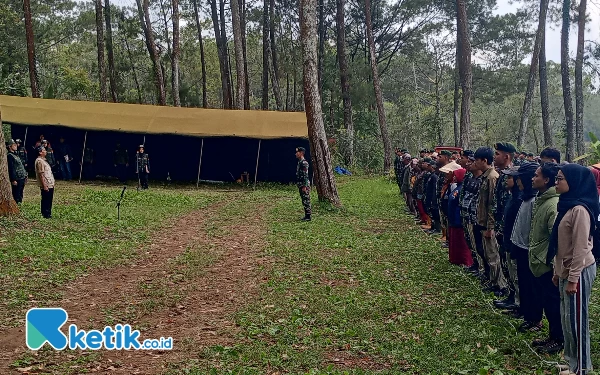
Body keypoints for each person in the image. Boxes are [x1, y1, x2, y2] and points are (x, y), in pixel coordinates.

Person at [549, 164, 598, 375]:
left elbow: (580, 247)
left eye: (560, 179)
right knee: (567, 318)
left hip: (578, 270)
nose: (556, 182)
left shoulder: (580, 210)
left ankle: (582, 368)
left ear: (574, 182)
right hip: (566, 270)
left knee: (578, 321)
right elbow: (562, 245)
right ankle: (571, 361)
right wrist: (557, 271)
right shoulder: (566, 205)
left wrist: (573, 279)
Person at [529, 162, 563, 354]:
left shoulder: (553, 204)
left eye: (536, 175)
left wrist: (550, 263)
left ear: (546, 180)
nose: (533, 179)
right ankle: (551, 335)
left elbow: (556, 240)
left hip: (547, 264)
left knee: (552, 302)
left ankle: (558, 338)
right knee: (546, 301)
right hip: (539, 260)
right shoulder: (541, 199)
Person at [506, 163, 542, 333]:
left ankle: (534, 319)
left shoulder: (535, 200)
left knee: (531, 286)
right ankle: (527, 314)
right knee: (523, 283)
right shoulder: (524, 198)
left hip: (529, 249)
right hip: (519, 246)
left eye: (520, 178)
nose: (517, 181)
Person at [474, 147, 508, 297]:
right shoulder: (485, 177)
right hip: (482, 221)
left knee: (494, 256)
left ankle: (500, 286)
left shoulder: (492, 177)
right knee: (488, 255)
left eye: (477, 160)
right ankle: (493, 281)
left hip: (488, 224)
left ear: (484, 161)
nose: (475, 163)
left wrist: (490, 227)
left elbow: (492, 204)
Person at [493, 143, 518, 309]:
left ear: (507, 156)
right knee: (504, 262)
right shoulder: (502, 175)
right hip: (501, 227)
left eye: (497, 154)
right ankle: (510, 294)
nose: (494, 157)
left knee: (511, 265)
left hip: (509, 228)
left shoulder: (514, 174)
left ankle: (517, 299)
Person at [447, 168, 474, 267]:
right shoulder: (457, 187)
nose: (453, 177)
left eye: (455, 175)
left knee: (462, 243)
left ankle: (465, 261)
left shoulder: (463, 188)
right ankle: (455, 259)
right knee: (455, 241)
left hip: (459, 219)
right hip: (453, 218)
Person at [35, 145, 56, 219]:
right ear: (40, 152)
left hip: (49, 183)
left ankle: (48, 213)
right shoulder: (39, 161)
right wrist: (44, 185)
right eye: (44, 150)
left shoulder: (44, 160)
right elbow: (41, 174)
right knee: (46, 199)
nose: (46, 151)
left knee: (49, 199)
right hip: (46, 183)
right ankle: (45, 214)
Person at [6, 139, 27, 204]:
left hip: (21, 176)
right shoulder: (9, 156)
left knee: (21, 193)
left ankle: (20, 204)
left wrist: (25, 175)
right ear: (10, 147)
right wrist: (13, 179)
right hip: (17, 178)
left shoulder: (16, 154)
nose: (16, 146)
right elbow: (11, 168)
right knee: (16, 194)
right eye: (14, 145)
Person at [295, 147, 311, 221]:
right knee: (304, 199)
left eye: (297, 152)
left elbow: (305, 175)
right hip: (301, 184)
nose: (296, 154)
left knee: (306, 199)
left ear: (301, 153)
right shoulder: (300, 162)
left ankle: (308, 216)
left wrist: (304, 186)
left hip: (304, 184)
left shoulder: (304, 163)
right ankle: (306, 215)